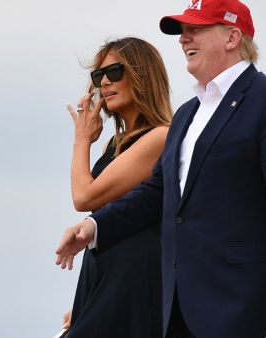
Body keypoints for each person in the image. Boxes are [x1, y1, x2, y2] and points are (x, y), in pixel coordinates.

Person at [56, 1, 266, 337]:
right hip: (180, 309)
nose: (184, 39)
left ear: (232, 37)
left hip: (242, 303)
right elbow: (157, 192)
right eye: (183, 31)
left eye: (196, 29)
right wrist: (94, 226)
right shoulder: (187, 115)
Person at [61, 37, 173, 338]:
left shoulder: (160, 136)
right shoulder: (115, 144)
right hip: (105, 271)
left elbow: (84, 197)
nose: (105, 83)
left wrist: (81, 140)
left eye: (115, 72)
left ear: (142, 75)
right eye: (99, 76)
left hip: (135, 273)